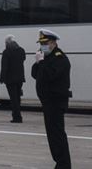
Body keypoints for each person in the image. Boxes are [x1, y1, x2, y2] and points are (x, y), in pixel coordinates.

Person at [31, 28, 72, 169]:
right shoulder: (47, 57)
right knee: (52, 136)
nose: (43, 46)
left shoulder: (59, 58)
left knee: (57, 135)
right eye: (41, 43)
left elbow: (49, 76)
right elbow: (35, 74)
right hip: (48, 102)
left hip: (56, 102)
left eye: (46, 43)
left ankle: (63, 164)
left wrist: (41, 63)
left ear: (53, 43)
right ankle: (60, 163)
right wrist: (38, 63)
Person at [0, 34, 26, 123]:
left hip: (10, 79)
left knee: (13, 99)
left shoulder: (7, 52)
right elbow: (23, 59)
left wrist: (2, 78)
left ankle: (17, 117)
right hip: (20, 78)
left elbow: (4, 67)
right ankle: (18, 116)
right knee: (17, 98)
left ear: (7, 43)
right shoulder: (21, 50)